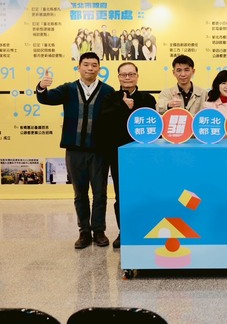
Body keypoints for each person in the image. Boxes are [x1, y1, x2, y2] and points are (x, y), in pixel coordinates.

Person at [36, 52, 115, 249]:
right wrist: (42, 87)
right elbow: (46, 99)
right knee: (80, 193)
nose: (90, 68)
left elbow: (116, 116)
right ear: (79, 67)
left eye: (94, 65)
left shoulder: (108, 91)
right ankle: (84, 232)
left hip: (100, 151)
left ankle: (99, 231)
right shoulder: (68, 89)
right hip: (74, 150)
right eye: (86, 64)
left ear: (99, 68)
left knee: (100, 193)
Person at [97, 62, 155, 249]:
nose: (127, 78)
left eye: (131, 74)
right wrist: (122, 106)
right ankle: (125, 231)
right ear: (118, 77)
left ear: (137, 76)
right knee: (121, 194)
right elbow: (103, 120)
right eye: (124, 75)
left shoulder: (147, 98)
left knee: (144, 192)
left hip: (143, 156)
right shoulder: (110, 98)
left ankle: (144, 229)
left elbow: (154, 125)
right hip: (118, 155)